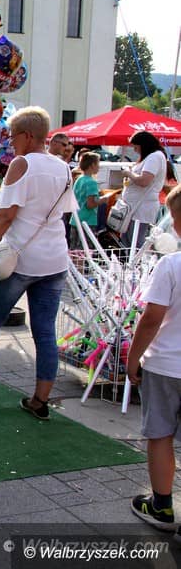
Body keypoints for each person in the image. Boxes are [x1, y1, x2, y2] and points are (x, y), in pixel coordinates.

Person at [0, 106, 77, 419]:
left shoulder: (22, 164)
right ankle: (40, 400)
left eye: (13, 135)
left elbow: (6, 215)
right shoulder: (63, 167)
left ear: (28, 135)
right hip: (55, 259)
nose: (10, 141)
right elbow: (62, 213)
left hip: (19, 260)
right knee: (45, 332)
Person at [126, 184, 181, 531]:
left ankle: (161, 506)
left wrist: (133, 357)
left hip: (165, 365)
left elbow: (151, 319)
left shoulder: (170, 265)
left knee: (160, 434)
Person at [120, 130, 168, 247]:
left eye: (135, 147)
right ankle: (131, 258)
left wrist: (128, 173)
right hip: (134, 207)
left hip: (141, 208)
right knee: (127, 239)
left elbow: (144, 181)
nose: (134, 150)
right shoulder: (151, 157)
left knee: (135, 241)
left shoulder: (155, 157)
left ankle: (139, 259)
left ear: (143, 145)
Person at [68, 152, 106, 248]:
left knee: (74, 250)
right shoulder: (92, 182)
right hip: (88, 221)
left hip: (75, 219)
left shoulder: (79, 179)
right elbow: (90, 204)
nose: (99, 167)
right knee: (86, 250)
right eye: (98, 164)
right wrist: (103, 200)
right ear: (92, 165)